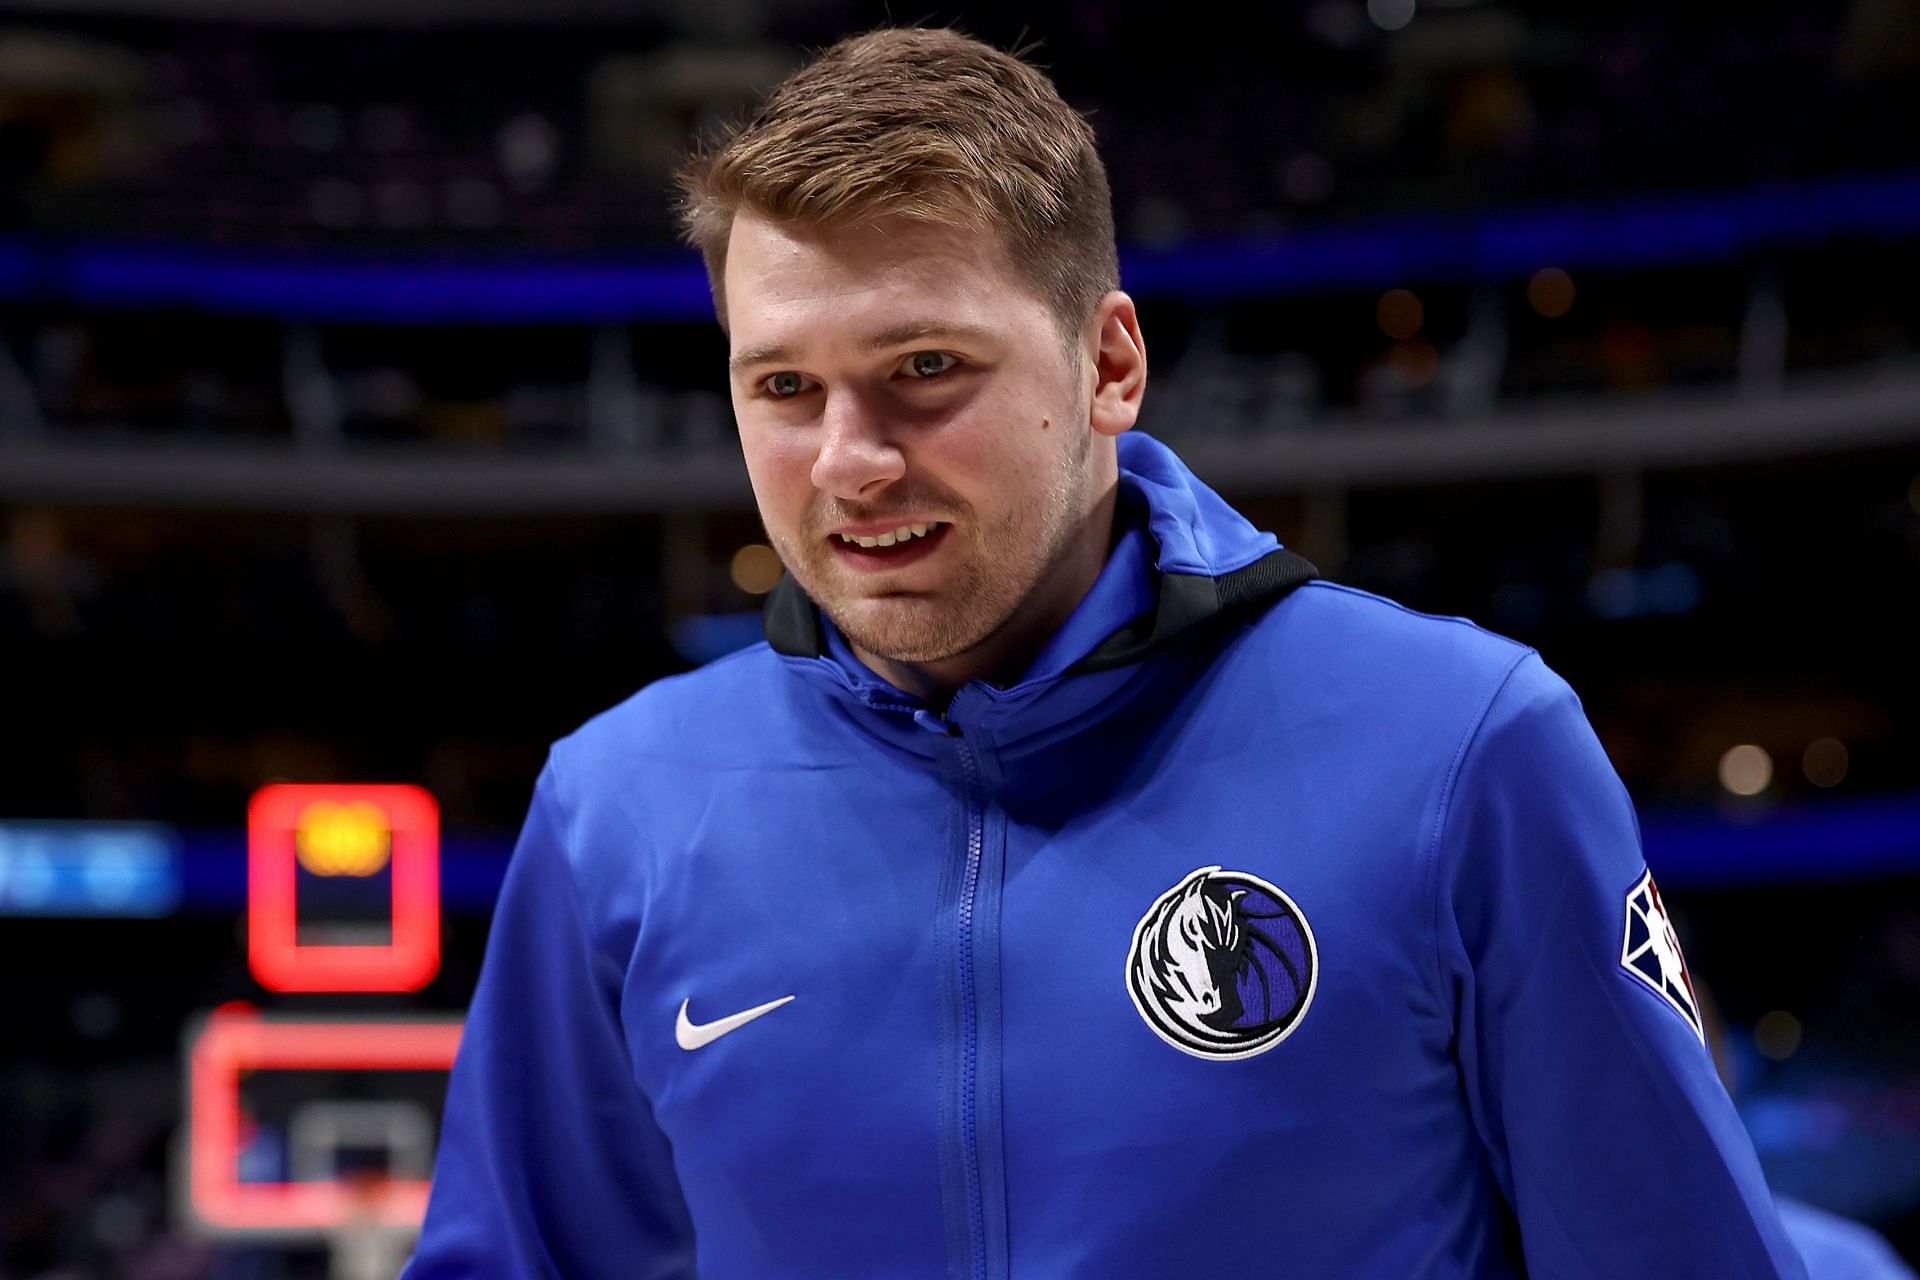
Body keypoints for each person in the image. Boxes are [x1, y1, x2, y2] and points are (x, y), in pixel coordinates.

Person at [404, 27, 1807, 1278]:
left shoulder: (1461, 747)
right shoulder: (618, 808)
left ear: (1109, 364)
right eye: (783, 387)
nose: (848, 461)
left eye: (927, 371)